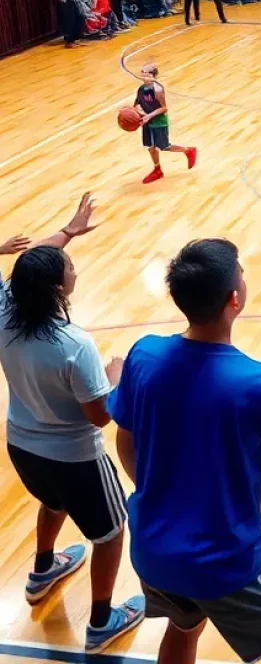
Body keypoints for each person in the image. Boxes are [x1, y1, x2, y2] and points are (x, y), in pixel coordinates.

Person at [108, 239, 261, 664]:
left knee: (184, 624)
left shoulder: (144, 355)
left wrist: (162, 495)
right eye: (241, 273)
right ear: (234, 299)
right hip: (225, 563)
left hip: (153, 550)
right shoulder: (259, 383)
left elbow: (125, 441)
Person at [0, 195, 146, 654]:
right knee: (111, 531)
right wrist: (116, 379)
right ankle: (101, 622)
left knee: (51, 502)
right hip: (75, 457)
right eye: (69, 267)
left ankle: (43, 568)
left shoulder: (4, 307)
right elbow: (99, 415)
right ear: (57, 289)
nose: (74, 269)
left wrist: (67, 231)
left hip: (22, 445)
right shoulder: (74, 345)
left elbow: (27, 269)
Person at [133, 64, 198, 185]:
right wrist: (132, 112)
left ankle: (188, 150)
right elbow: (136, 104)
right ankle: (157, 170)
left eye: (146, 72)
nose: (143, 74)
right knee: (150, 147)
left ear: (153, 75)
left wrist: (149, 116)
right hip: (147, 121)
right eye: (142, 71)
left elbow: (164, 108)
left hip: (159, 122)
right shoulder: (141, 89)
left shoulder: (157, 89)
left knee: (164, 147)